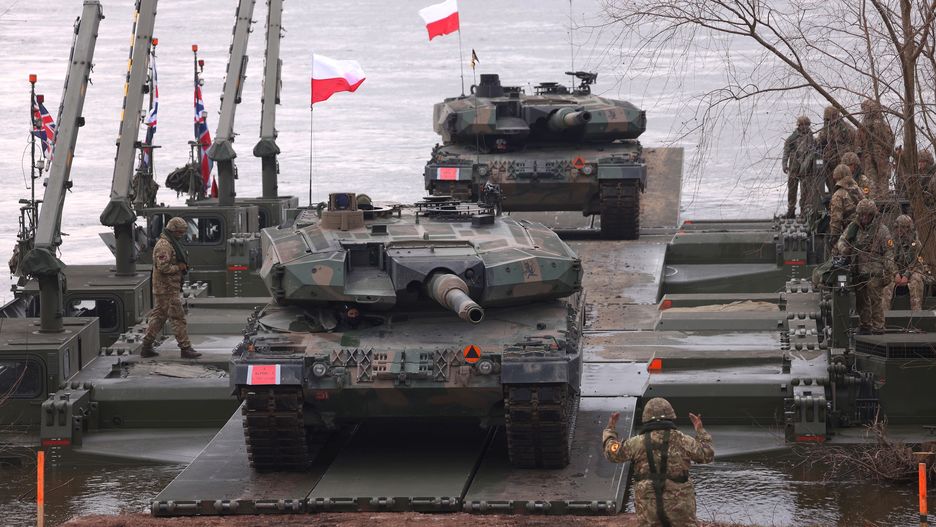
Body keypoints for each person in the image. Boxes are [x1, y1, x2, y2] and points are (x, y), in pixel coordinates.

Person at [604, 397, 714, 527]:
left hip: (649, 510)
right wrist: (700, 430)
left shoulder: (636, 443)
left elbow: (611, 453)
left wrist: (610, 429)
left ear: (646, 417)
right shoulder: (683, 440)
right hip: (680, 509)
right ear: (670, 416)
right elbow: (707, 455)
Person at [141, 216, 202, 359]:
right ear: (172, 230)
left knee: (159, 317)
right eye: (179, 232)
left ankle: (146, 346)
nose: (181, 235)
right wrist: (178, 267)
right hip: (166, 289)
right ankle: (185, 348)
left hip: (168, 287)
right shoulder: (164, 246)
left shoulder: (171, 243)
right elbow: (163, 267)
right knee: (177, 317)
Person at [836, 199, 896, 334]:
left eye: (868, 215)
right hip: (858, 269)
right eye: (862, 214)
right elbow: (842, 240)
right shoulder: (853, 228)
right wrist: (844, 249)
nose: (865, 218)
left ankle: (878, 326)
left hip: (875, 271)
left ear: (873, 215)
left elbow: (889, 251)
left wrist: (889, 268)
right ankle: (865, 324)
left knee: (875, 300)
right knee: (861, 299)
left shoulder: (881, 230)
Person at [882, 215, 926, 312]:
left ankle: (916, 314)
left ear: (909, 228)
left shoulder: (916, 244)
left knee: (916, 280)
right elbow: (888, 259)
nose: (899, 230)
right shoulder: (891, 242)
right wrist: (896, 273)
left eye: (903, 227)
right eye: (897, 227)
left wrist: (906, 275)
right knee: (885, 281)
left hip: (912, 271)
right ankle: (884, 315)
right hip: (895, 271)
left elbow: (917, 261)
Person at [854, 99, 895, 198]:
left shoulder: (881, 124)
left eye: (866, 109)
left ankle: (882, 198)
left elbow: (890, 139)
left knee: (882, 177)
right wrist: (859, 151)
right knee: (871, 178)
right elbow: (858, 140)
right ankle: (874, 198)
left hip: (880, 155)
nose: (864, 111)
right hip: (868, 155)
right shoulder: (864, 124)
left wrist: (886, 151)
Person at [782, 116, 819, 218]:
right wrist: (784, 164)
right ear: (798, 125)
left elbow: (817, 153)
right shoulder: (792, 138)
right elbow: (786, 152)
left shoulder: (812, 139)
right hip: (794, 168)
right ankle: (791, 210)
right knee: (792, 190)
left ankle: (804, 212)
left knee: (805, 192)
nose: (804, 127)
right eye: (802, 125)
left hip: (806, 170)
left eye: (806, 124)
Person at [817, 105, 857, 192]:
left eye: (829, 118)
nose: (828, 121)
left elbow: (854, 142)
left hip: (842, 161)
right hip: (829, 162)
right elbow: (819, 142)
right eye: (826, 119)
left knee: (844, 183)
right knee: (831, 184)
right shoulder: (825, 129)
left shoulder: (845, 128)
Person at [828, 164, 865, 251]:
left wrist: (834, 238)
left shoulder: (838, 195)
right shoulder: (858, 189)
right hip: (864, 229)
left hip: (849, 233)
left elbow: (836, 220)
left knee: (837, 255)